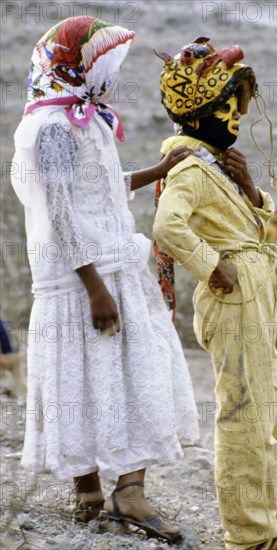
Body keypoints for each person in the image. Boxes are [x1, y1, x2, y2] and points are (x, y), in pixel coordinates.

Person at [11, 17, 199, 543]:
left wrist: (157, 172)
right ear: (75, 66)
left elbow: (97, 187)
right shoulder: (52, 127)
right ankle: (127, 495)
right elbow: (61, 210)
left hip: (104, 263)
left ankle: (90, 492)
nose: (111, 77)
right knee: (124, 371)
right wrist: (94, 287)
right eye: (104, 66)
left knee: (91, 374)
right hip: (89, 274)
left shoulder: (79, 118)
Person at [153, 38, 277, 549]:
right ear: (198, 114)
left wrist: (249, 189)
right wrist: (212, 266)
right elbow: (167, 227)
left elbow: (255, 226)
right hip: (235, 297)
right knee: (243, 411)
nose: (236, 117)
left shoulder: (219, 165)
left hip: (256, 295)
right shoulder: (190, 168)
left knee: (270, 408)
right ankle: (248, 536)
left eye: (238, 106)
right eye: (225, 107)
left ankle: (273, 523)